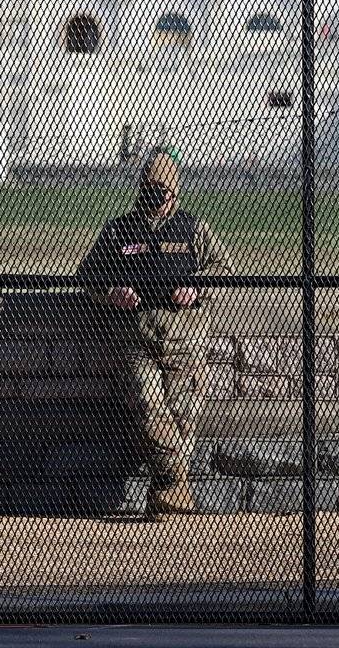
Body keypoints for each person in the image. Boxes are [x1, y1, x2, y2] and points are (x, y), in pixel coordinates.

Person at [77, 147, 234, 518]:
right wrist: (112, 292)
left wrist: (196, 286)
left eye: (161, 192)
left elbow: (226, 271)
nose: (155, 199)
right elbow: (87, 276)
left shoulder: (193, 228)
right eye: (149, 190)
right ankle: (177, 486)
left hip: (186, 342)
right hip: (138, 341)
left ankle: (164, 496)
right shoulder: (119, 229)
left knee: (183, 420)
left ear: (175, 193)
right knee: (149, 408)